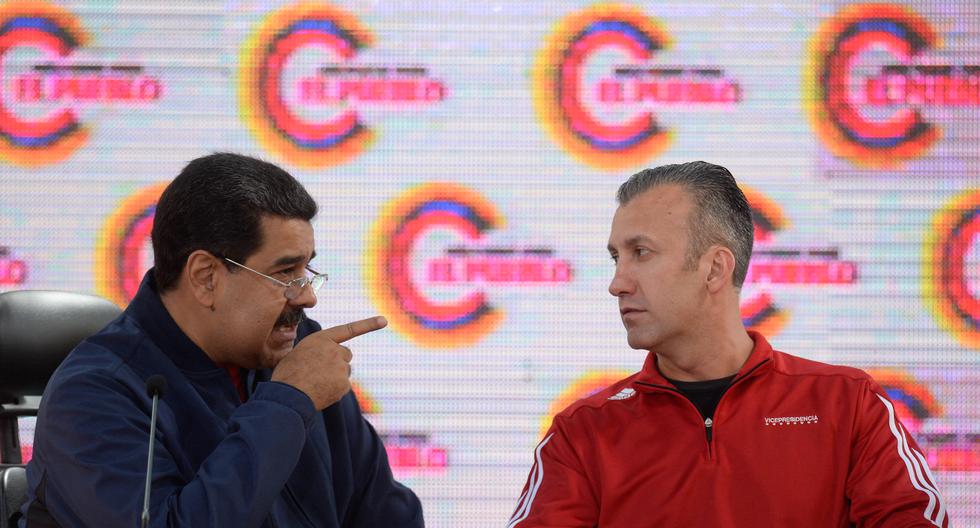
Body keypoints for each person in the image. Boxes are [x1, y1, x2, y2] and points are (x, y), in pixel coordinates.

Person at [509, 161, 948, 527]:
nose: (617, 283)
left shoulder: (849, 404)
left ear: (715, 269)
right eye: (615, 257)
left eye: (640, 252)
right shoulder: (582, 432)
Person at [21, 153, 424, 527]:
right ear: (205, 277)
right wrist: (287, 404)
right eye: (285, 273)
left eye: (308, 269)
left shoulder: (302, 354)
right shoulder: (94, 393)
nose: (307, 296)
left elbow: (386, 513)